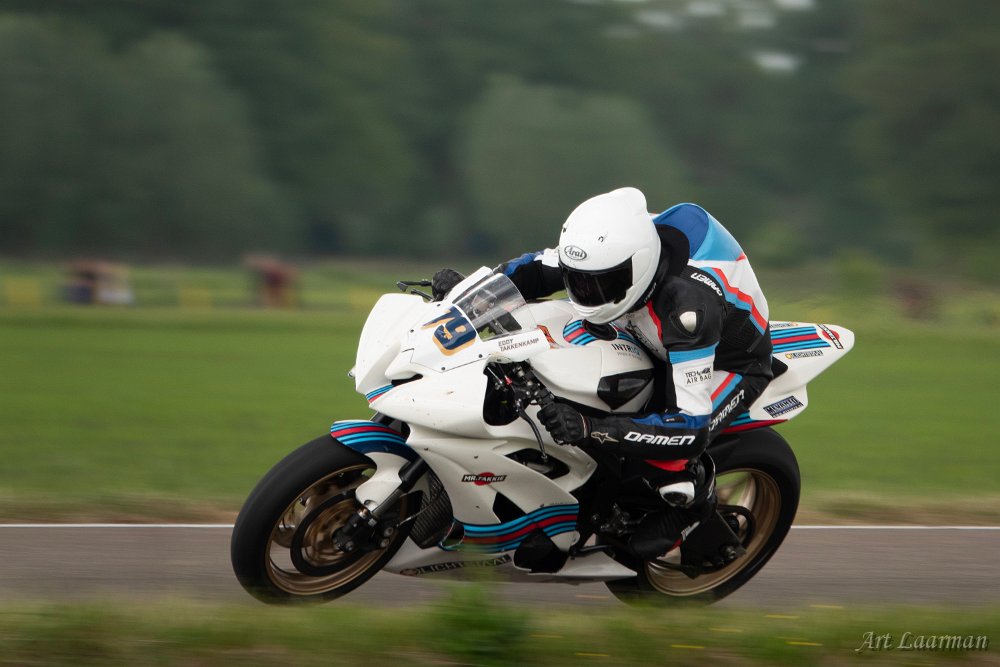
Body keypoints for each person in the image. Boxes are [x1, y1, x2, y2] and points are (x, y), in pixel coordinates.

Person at [433, 187, 773, 559]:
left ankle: (692, 502)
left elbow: (691, 428)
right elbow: (532, 271)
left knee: (658, 455)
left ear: (637, 270)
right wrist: (468, 298)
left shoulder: (688, 310)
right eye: (577, 280)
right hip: (642, 328)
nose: (585, 291)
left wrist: (590, 427)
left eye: (599, 284)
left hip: (726, 361)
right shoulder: (605, 253)